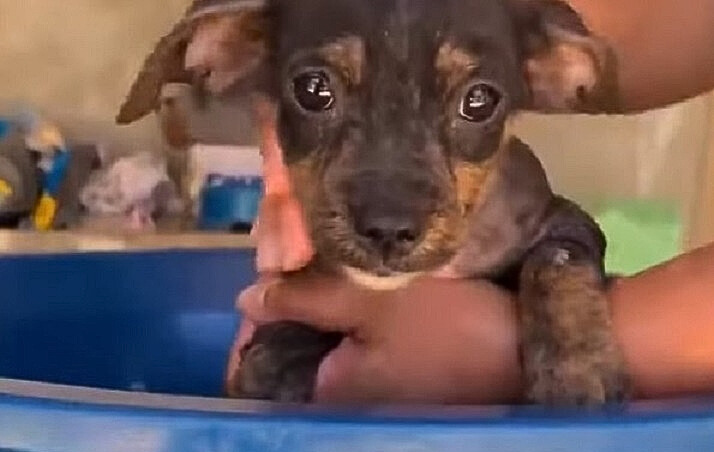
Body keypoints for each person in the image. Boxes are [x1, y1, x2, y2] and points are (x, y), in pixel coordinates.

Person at [230, 0, 714, 404]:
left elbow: (562, 233)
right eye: (317, 91)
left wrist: (510, 353)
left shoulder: (511, 214)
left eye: (475, 102)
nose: (390, 216)